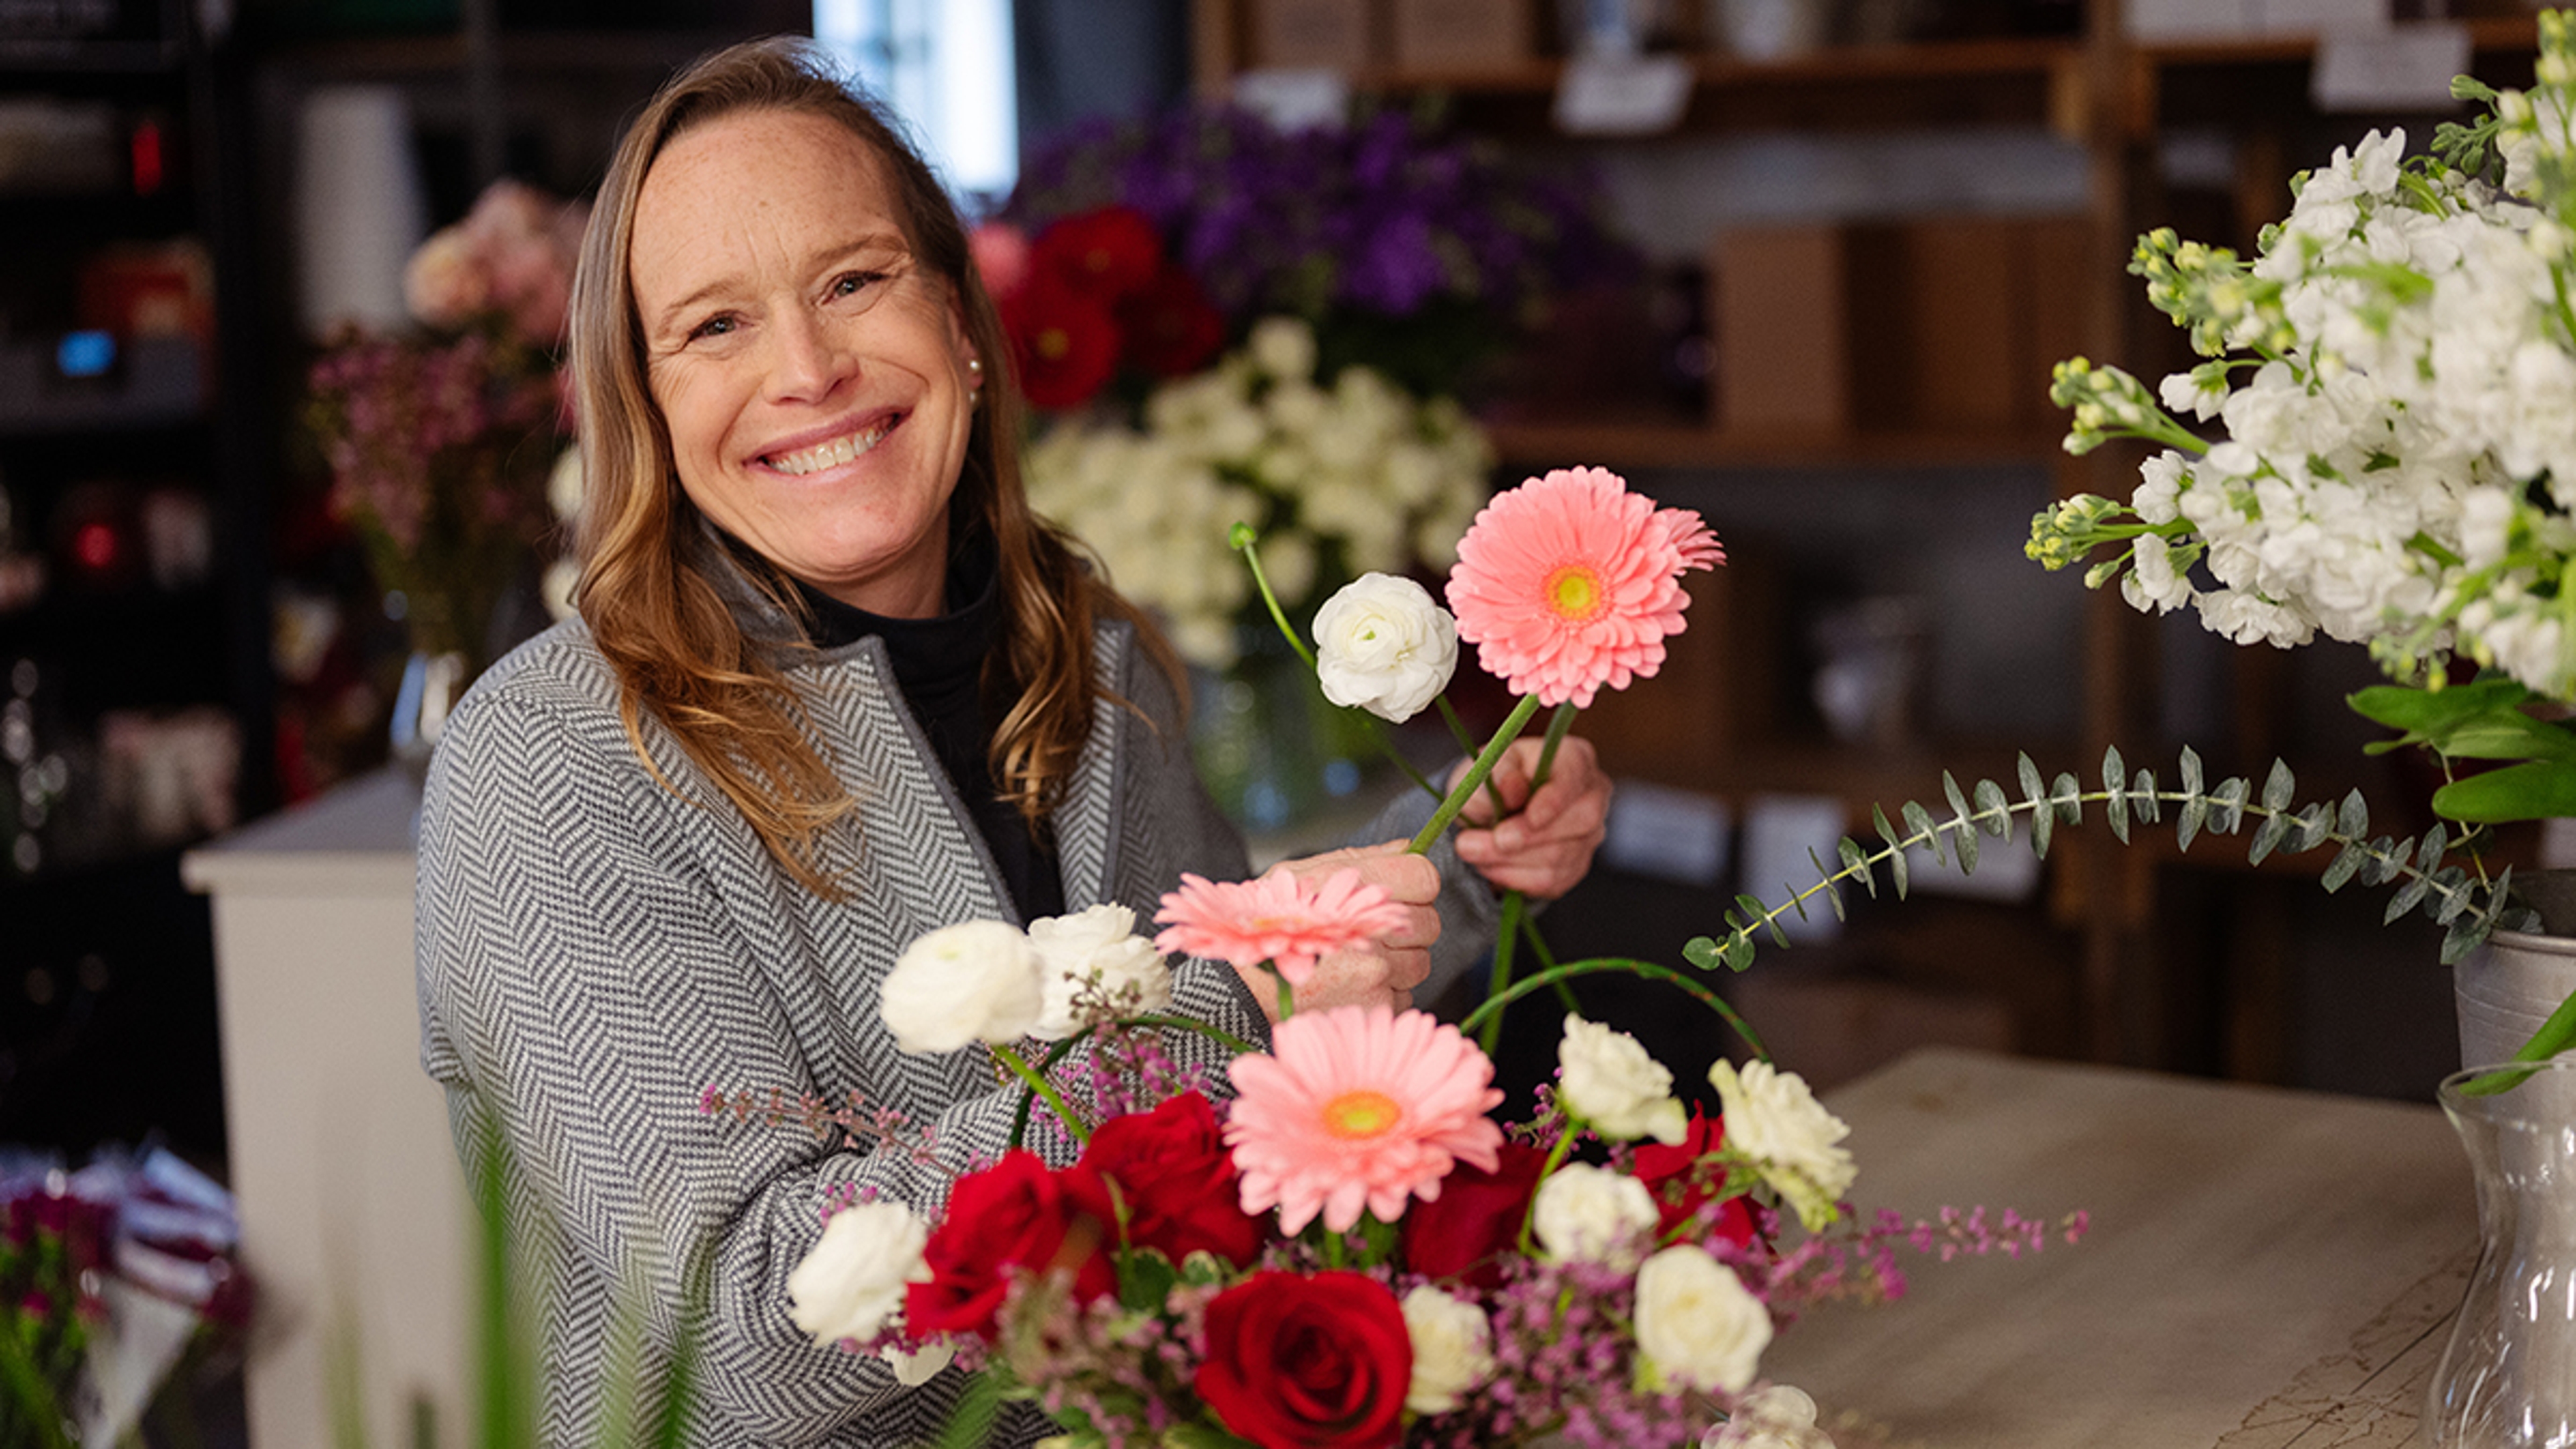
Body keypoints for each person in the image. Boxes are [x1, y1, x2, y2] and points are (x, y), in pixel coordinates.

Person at [412, 36, 1611, 1448]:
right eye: (715, 326)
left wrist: (1466, 860)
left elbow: (1232, 1048)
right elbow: (745, 1327)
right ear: (649, 407)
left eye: (854, 280)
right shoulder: (550, 762)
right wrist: (1235, 1018)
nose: (808, 368)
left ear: (962, 325)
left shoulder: (1088, 657)